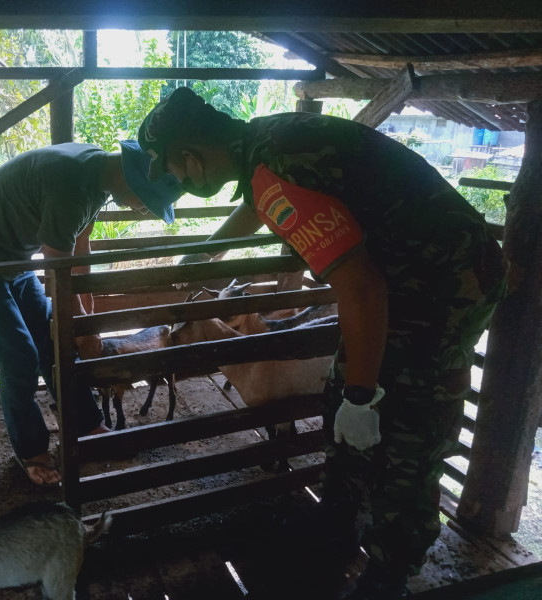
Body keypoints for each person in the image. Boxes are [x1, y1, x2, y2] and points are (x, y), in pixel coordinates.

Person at [137, 87, 506, 599]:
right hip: (412, 270)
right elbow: (256, 203)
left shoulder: (274, 171)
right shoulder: (266, 141)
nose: (180, 182)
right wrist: (205, 256)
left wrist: (362, 395)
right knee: (345, 399)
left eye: (174, 173)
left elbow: (359, 285)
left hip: (441, 284)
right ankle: (336, 524)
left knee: (405, 425)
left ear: (190, 157)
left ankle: (390, 569)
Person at [0, 140, 183, 487]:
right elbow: (57, 271)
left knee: (56, 339)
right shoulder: (71, 183)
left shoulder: (97, 176)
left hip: (13, 259)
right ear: (134, 180)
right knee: (19, 357)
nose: (144, 210)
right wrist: (81, 326)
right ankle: (31, 450)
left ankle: (87, 425)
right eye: (147, 202)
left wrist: (86, 315)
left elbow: (79, 245)